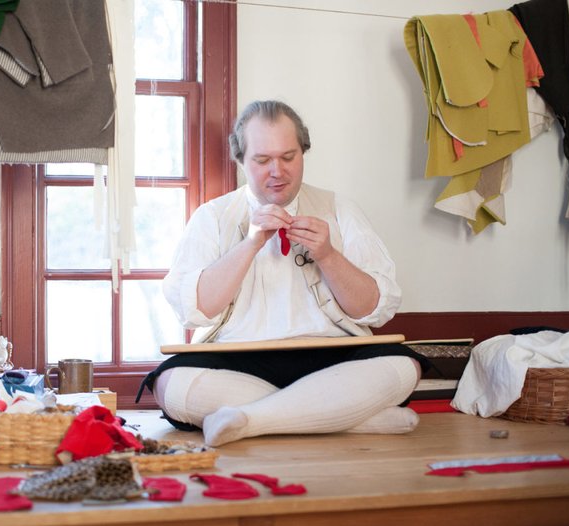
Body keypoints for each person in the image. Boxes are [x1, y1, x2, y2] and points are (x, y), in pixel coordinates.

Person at [138, 101, 430, 447]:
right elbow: (195, 310)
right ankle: (345, 418)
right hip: (236, 360)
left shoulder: (340, 209)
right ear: (241, 161)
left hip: (332, 356)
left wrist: (328, 255)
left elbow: (373, 310)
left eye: (288, 157)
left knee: (403, 368)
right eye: (262, 160)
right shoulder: (212, 217)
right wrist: (248, 245)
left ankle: (251, 419)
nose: (277, 171)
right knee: (171, 383)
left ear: (303, 153)